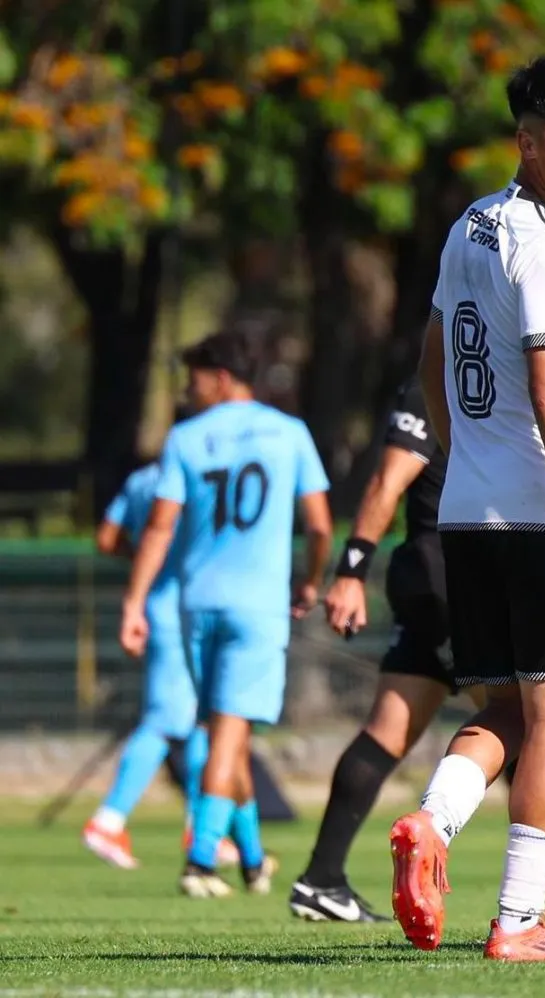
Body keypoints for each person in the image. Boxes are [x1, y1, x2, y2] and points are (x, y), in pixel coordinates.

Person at [288, 378, 545, 923]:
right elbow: (389, 479)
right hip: (459, 574)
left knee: (397, 731)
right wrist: (352, 570)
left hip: (438, 569)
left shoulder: (457, 366)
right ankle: (530, 890)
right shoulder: (453, 379)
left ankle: (321, 878)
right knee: (528, 722)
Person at [389, 55, 545, 962]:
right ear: (527, 142)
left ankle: (431, 824)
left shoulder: (469, 227)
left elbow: (431, 363)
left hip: (468, 516)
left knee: (506, 714)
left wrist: (463, 463)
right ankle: (520, 921)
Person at [119, 328, 333, 898]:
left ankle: (255, 859)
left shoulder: (186, 439)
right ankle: (201, 860)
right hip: (256, 607)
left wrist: (135, 601)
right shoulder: (290, 434)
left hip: (195, 605)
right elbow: (318, 525)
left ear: (220, 377)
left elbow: (160, 528)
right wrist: (311, 580)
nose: (188, 394)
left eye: (193, 382)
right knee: (228, 734)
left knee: (222, 732)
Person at [83, 410, 234, 870]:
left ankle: (200, 826)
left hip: (159, 601)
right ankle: (108, 820)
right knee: (165, 721)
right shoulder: (198, 474)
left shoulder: (141, 479)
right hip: (182, 607)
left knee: (194, 726)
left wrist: (144, 563)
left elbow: (107, 538)